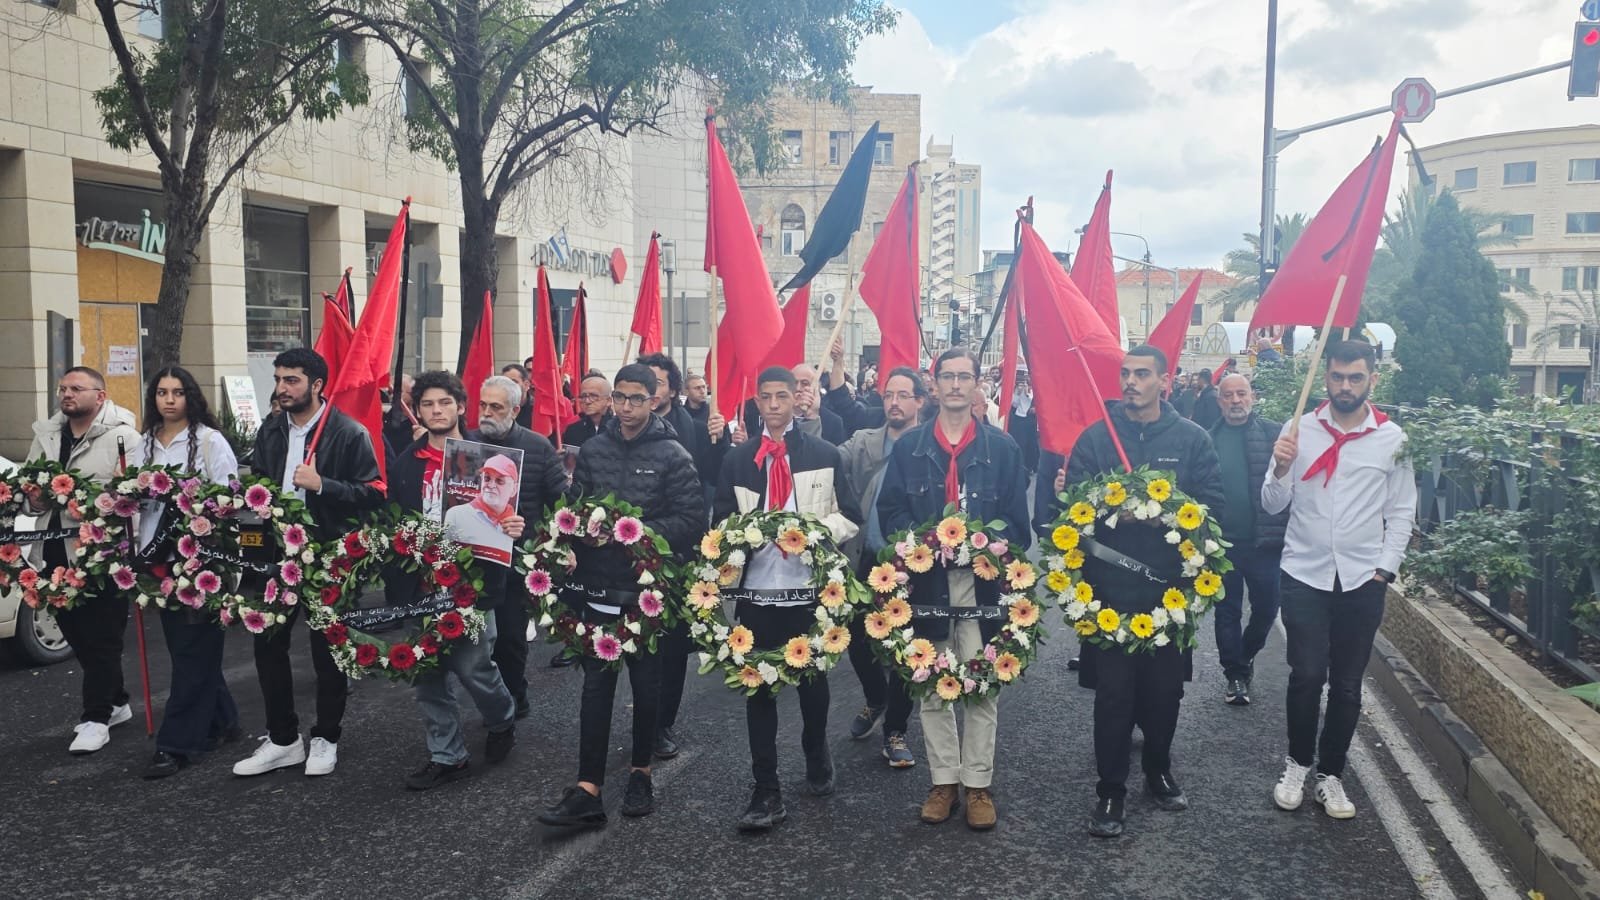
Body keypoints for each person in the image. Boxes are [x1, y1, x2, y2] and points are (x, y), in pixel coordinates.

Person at [1057, 344, 1223, 839]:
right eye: (1126, 373)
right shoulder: (1096, 438)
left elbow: (1213, 506)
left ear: (1164, 381)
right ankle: (1110, 791)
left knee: (1164, 693)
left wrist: (1164, 510)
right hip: (1108, 593)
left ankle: (1157, 767)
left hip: (1168, 595)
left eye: (1142, 374)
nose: (1131, 382)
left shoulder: (1192, 440)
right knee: (1112, 696)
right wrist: (1112, 510)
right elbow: (1071, 508)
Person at [537, 364, 705, 829]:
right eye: (620, 398)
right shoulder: (593, 449)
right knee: (596, 683)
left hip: (646, 589)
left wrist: (638, 532)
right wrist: (572, 533)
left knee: (646, 683)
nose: (626, 407)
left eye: (636, 398)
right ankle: (588, 787)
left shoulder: (673, 454)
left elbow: (693, 520)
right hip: (597, 586)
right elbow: (575, 506)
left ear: (654, 400)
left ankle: (640, 772)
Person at [877, 348, 1032, 832]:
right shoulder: (908, 449)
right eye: (948, 377)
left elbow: (1019, 529)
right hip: (927, 582)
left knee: (982, 685)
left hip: (981, 587)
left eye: (965, 377)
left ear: (976, 385)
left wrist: (981, 547)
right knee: (932, 685)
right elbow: (891, 515)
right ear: (935, 384)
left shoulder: (1002, 449)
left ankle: (979, 785)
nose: (957, 385)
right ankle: (943, 781)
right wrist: (927, 543)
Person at [1265, 340, 1416, 820]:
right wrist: (1282, 467)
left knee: (1348, 685)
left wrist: (1385, 568)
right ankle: (1297, 764)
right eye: (1337, 377)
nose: (1345, 386)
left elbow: (1402, 509)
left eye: (1355, 377)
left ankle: (1331, 775)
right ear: (1325, 377)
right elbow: (1272, 503)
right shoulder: (1299, 429)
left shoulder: (1393, 439)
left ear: (1373, 379)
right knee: (1307, 674)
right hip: (1304, 572)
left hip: (1361, 578)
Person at [710, 366, 861, 831]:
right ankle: (766, 789)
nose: (775, 405)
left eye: (783, 396)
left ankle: (815, 748)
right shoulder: (739, 459)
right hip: (758, 592)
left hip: (809, 591)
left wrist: (812, 533)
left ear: (797, 400)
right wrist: (738, 538)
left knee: (812, 684)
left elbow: (850, 516)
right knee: (758, 687)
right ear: (756, 403)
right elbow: (719, 521)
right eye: (766, 398)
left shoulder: (823, 453)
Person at [234, 347, 384, 778]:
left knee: (328, 651)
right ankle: (283, 739)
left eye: (292, 380)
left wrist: (324, 485)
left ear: (317, 385)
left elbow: (373, 493)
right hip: (276, 557)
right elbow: (260, 482)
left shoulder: (348, 432)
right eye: (279, 379)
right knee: (268, 647)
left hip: (327, 556)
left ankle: (326, 736)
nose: (281, 388)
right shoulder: (271, 429)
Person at [387, 371, 520, 790]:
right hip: (420, 587)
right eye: (427, 404)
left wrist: (516, 525)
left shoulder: (487, 459)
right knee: (427, 675)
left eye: (444, 403)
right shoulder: (407, 461)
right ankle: (447, 755)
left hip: (472, 584)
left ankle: (502, 718)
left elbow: (508, 511)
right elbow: (393, 515)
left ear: (460, 407)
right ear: (418, 410)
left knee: (475, 668)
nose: (436, 411)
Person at [129, 367, 242, 778]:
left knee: (194, 649)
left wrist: (192, 503)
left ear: (190, 397)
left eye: (177, 392)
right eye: (161, 392)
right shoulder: (142, 443)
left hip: (200, 559)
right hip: (153, 557)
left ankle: (177, 744)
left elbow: (230, 497)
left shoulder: (210, 441)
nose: (169, 400)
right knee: (184, 647)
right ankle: (223, 719)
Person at [25, 366, 141, 754]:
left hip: (101, 553)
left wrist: (95, 507)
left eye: (76, 388)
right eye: (62, 389)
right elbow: (31, 484)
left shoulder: (124, 437)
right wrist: (34, 498)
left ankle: (95, 717)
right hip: (53, 550)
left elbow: (132, 497)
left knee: (102, 637)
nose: (67, 395)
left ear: (100, 396)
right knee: (77, 634)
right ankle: (118, 700)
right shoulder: (47, 435)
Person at [837, 365, 926, 769]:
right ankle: (876, 697)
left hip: (912, 564)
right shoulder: (862, 442)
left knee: (906, 648)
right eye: (889, 394)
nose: (894, 402)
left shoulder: (931, 446)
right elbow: (827, 460)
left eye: (903, 395)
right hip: (864, 559)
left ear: (919, 402)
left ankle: (896, 729)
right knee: (857, 640)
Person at [473, 374, 570, 700]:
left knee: (510, 638)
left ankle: (515, 698)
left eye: (496, 407)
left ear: (515, 409)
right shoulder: (467, 443)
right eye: (483, 404)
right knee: (473, 641)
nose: (486, 412)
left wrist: (550, 543)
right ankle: (491, 702)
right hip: (471, 561)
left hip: (516, 560)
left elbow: (561, 501)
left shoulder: (538, 446)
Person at [637, 351, 704, 757]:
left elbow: (704, 488)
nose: (648, 390)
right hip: (628, 556)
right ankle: (642, 718)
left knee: (672, 646)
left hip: (675, 551)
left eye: (657, 383)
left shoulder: (689, 430)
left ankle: (663, 723)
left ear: (671, 390)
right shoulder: (619, 429)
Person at [1209, 373, 1286, 707]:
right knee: (1226, 612)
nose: (1236, 400)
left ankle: (1246, 654)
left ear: (1253, 397)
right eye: (1228, 395)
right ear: (1219, 401)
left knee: (1267, 608)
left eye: (1242, 394)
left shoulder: (1273, 435)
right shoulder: (1206, 439)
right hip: (1222, 544)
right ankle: (1235, 674)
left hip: (1263, 543)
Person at [443, 453, 520, 564]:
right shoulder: (456, 515)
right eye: (487, 478)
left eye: (500, 481)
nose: (491, 485)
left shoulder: (516, 523)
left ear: (514, 489)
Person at [562, 373, 613, 449]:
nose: (587, 401)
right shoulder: (573, 430)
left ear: (608, 400)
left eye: (593, 396)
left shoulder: (620, 429)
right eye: (583, 396)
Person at [1006, 367, 1040, 475]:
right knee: (1020, 442)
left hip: (1031, 420)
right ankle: (1021, 465)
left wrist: (1026, 392)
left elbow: (1031, 399)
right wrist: (1017, 392)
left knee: (1031, 444)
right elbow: (1015, 404)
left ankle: (1032, 465)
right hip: (1019, 419)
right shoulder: (1017, 389)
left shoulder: (1035, 387)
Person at [502, 363, 534, 430]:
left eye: (513, 382)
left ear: (526, 385)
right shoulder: (496, 408)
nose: (508, 386)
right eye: (505, 382)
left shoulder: (536, 410)